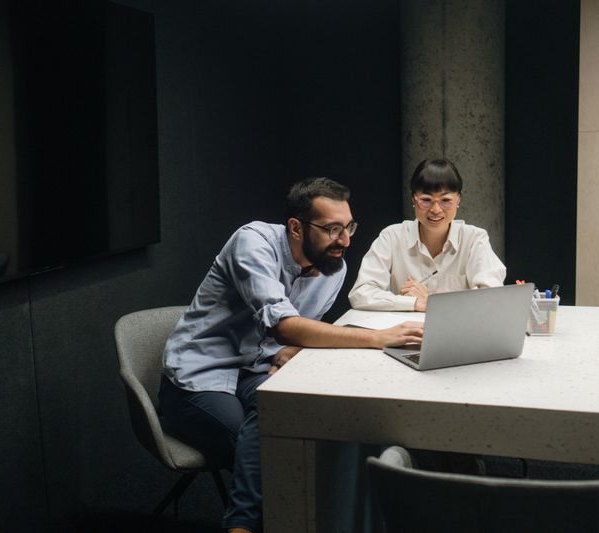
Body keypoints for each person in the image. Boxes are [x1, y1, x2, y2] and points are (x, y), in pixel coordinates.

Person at [158, 177, 423, 533]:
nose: (344, 241)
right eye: (332, 229)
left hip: (255, 369)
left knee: (297, 418)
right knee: (275, 449)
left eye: (349, 227)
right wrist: (376, 338)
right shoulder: (253, 242)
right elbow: (285, 325)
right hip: (196, 378)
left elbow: (299, 333)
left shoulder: (333, 268)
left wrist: (294, 349)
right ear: (296, 227)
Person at [349, 158, 506, 312]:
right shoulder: (392, 236)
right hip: (405, 330)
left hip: (458, 332)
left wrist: (433, 300)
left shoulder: (474, 238)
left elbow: (492, 297)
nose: (436, 209)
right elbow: (360, 293)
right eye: (426, 200)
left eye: (446, 200)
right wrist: (414, 303)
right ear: (413, 199)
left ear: (458, 199)